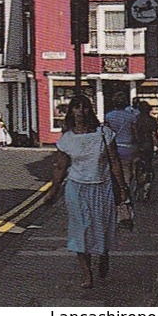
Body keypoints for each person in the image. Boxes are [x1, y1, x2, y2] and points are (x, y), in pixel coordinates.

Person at [48, 94, 129, 289]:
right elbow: (60, 167)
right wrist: (52, 191)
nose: (80, 112)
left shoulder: (103, 134)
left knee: (101, 227)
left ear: (89, 111)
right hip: (76, 188)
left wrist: (123, 188)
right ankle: (86, 273)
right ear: (71, 112)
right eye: (76, 108)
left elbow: (115, 162)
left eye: (84, 108)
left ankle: (103, 255)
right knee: (80, 229)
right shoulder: (67, 139)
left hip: (102, 186)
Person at [133, 100, 158, 201]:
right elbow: (154, 135)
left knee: (139, 166)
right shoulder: (152, 120)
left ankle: (137, 184)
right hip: (148, 145)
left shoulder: (136, 119)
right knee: (148, 166)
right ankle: (146, 188)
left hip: (138, 145)